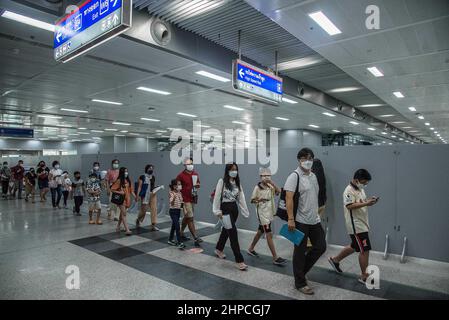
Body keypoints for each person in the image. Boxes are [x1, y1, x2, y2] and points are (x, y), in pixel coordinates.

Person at [284, 148, 326, 295]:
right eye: (304, 159)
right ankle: (300, 282)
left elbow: (314, 196)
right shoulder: (294, 176)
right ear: (299, 160)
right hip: (300, 220)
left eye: (310, 158)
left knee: (321, 246)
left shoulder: (313, 176)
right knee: (300, 251)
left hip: (314, 219)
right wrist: (290, 219)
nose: (307, 161)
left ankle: (300, 272)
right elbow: (288, 198)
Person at [328, 169, 378, 284]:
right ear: (356, 180)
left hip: (362, 223)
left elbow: (360, 202)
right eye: (364, 182)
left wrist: (369, 200)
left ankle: (335, 260)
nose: (365, 184)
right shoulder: (348, 191)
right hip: (356, 225)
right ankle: (364, 276)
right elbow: (350, 206)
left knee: (355, 246)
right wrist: (366, 203)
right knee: (365, 250)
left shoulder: (359, 189)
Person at [212, 162, 250, 271]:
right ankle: (239, 260)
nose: (234, 171)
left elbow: (241, 197)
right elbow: (217, 197)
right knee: (233, 233)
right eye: (232, 169)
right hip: (225, 209)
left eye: (236, 169)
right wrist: (217, 211)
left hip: (234, 209)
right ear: (227, 170)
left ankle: (219, 249)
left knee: (226, 231)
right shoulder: (222, 182)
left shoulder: (237, 182)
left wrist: (244, 210)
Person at [247, 167, 287, 265]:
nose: (266, 177)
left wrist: (272, 183)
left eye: (268, 175)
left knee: (260, 231)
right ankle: (275, 257)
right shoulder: (257, 188)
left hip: (269, 212)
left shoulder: (270, 186)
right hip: (261, 213)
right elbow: (252, 200)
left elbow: (279, 192)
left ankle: (251, 248)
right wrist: (260, 200)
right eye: (264, 175)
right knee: (269, 234)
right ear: (260, 176)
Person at [176, 158, 203, 245]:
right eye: (188, 164)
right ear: (184, 165)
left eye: (191, 163)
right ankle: (195, 237)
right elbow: (176, 187)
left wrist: (198, 185)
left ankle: (180, 232)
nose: (190, 165)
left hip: (192, 198)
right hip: (185, 199)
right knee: (190, 217)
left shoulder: (195, 174)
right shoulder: (180, 175)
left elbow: (198, 184)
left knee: (187, 217)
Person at [307, 158, 327, 249]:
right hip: (322, 203)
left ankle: (309, 245)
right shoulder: (322, 177)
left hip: (313, 206)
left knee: (308, 226)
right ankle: (316, 243)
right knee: (315, 225)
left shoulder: (312, 177)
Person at [110, 167, 135, 235]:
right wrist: (120, 192)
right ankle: (127, 229)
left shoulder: (128, 181)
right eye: (125, 172)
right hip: (121, 200)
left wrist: (135, 196)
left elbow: (131, 190)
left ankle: (118, 227)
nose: (126, 173)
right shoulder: (119, 181)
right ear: (122, 173)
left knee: (122, 213)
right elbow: (112, 189)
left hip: (127, 199)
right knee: (124, 214)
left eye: (127, 171)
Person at [136, 164, 159, 231]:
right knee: (143, 210)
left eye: (152, 168)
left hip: (153, 194)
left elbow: (152, 186)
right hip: (145, 195)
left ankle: (153, 225)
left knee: (154, 209)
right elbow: (139, 186)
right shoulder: (142, 177)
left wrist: (157, 187)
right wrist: (138, 195)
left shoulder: (153, 177)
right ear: (146, 169)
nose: (151, 169)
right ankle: (138, 219)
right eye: (149, 168)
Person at [167, 179, 186, 249]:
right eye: (179, 184)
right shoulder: (171, 193)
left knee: (174, 226)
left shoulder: (180, 193)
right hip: (173, 211)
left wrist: (184, 210)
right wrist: (174, 197)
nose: (180, 186)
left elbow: (181, 203)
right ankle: (179, 242)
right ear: (174, 186)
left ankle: (170, 240)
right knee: (177, 226)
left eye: (180, 184)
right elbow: (171, 203)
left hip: (178, 211)